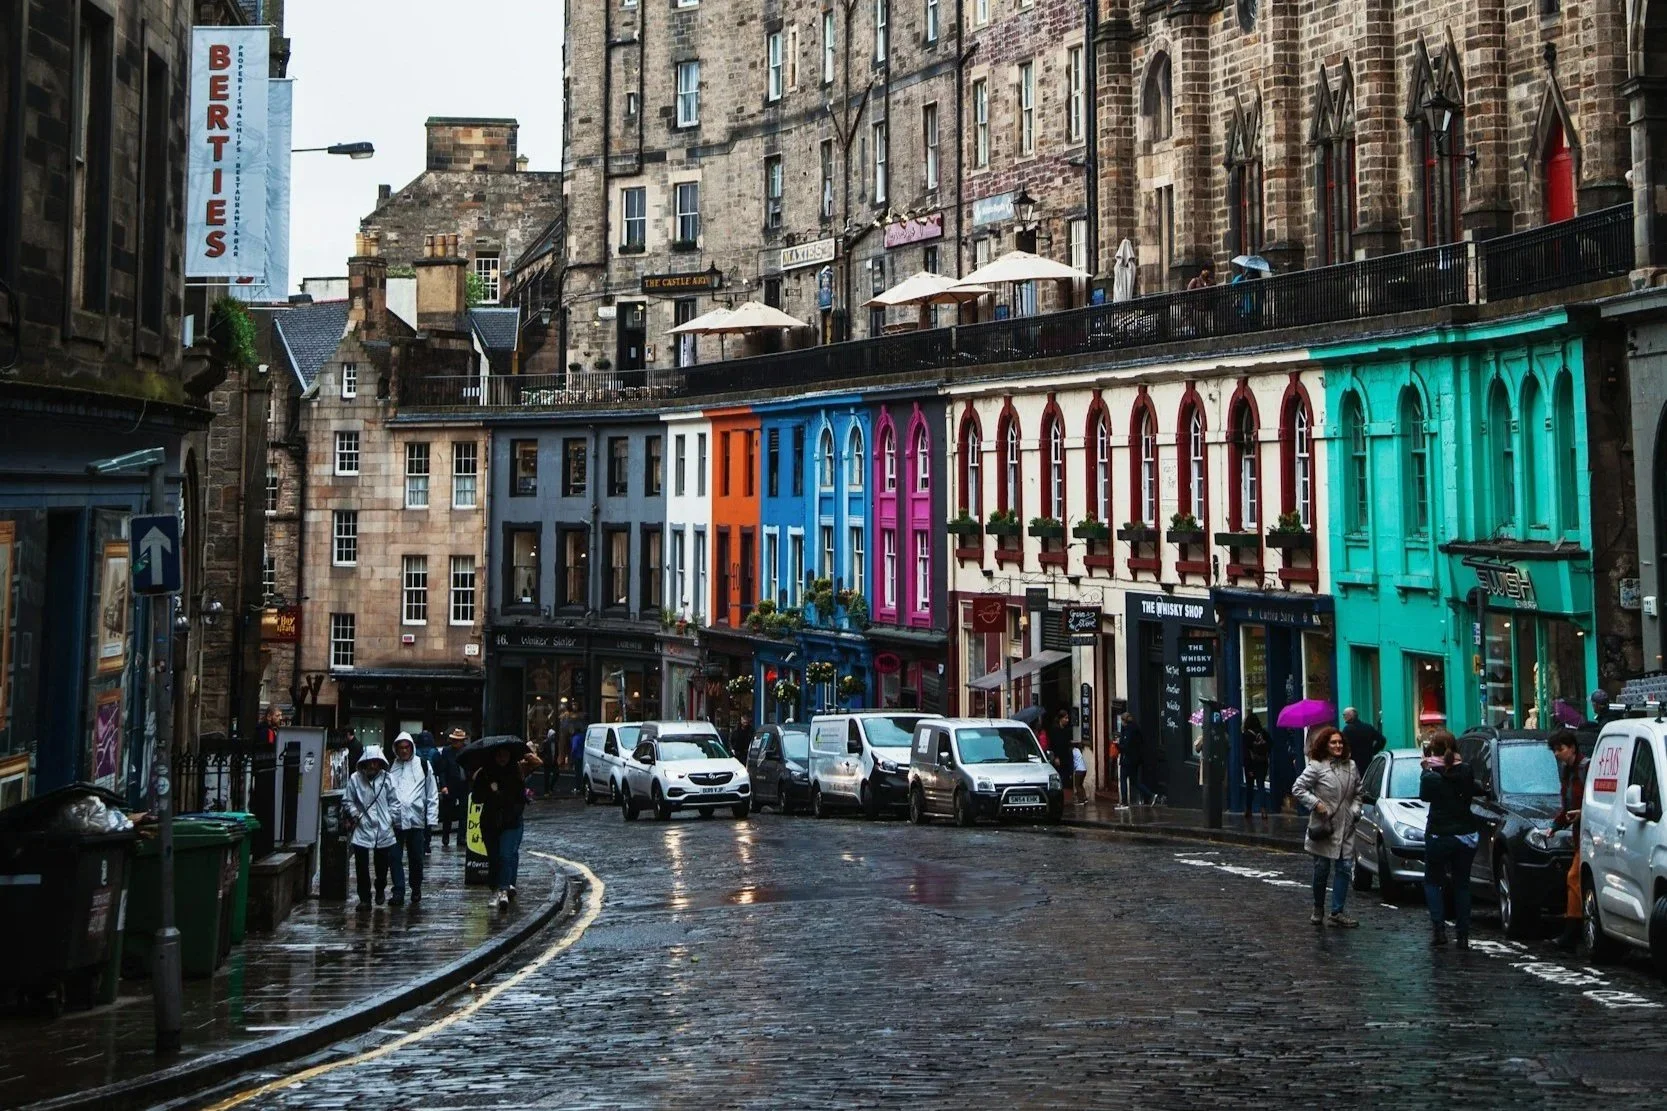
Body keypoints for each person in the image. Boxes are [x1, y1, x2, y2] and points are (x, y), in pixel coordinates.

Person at [1292, 726, 1362, 927]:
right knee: (1322, 869)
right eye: (1333, 742)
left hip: (1346, 826)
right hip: (1325, 826)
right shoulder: (1316, 766)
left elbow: (1359, 792)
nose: (1338, 745)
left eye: (1340, 742)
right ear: (1325, 745)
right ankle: (1318, 907)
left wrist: (1355, 811)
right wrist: (1316, 804)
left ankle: (1337, 912)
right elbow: (1298, 788)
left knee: (1344, 868)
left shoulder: (1351, 766)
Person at [1419, 729, 1480, 948]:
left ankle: (1439, 929)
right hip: (1465, 834)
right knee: (1462, 885)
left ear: (1431, 750)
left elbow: (1425, 796)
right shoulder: (1466, 770)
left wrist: (1425, 770)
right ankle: (1463, 935)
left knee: (1432, 882)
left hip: (1439, 834)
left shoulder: (1430, 775)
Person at [474, 743, 540, 911]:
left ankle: (503, 889)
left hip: (511, 822)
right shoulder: (485, 773)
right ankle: (495, 889)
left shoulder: (516, 771)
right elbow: (476, 798)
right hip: (490, 822)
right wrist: (489, 789)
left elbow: (520, 797)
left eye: (506, 754)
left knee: (505, 855)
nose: (502, 758)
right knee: (494, 857)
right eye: (499, 755)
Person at [386, 732, 438, 906]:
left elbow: (431, 792)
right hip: (395, 820)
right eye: (400, 748)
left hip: (416, 820)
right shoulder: (391, 767)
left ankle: (416, 887)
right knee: (394, 857)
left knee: (416, 858)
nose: (403, 751)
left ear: (411, 747)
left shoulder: (423, 765)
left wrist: (431, 818)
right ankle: (398, 891)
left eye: (406, 747)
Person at [1549, 728, 1589, 949]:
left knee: (1574, 878)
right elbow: (1567, 806)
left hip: (1591, 834)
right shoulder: (1567, 772)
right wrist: (1556, 825)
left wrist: (1583, 813)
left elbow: (1595, 799)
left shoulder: (1586, 769)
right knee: (1576, 879)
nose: (1557, 753)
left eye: (1560, 749)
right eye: (1555, 750)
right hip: (1579, 835)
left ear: (1572, 748)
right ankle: (1574, 929)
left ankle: (1572, 931)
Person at [343, 745, 396, 909]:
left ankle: (380, 888)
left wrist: (390, 819)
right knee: (361, 866)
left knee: (382, 866)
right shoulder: (355, 779)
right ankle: (364, 898)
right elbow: (348, 800)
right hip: (363, 826)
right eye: (370, 762)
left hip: (383, 828)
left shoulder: (387, 779)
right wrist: (355, 814)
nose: (373, 765)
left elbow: (394, 801)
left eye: (376, 762)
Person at [434, 728, 470, 848]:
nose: (456, 743)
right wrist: (443, 785)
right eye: (455, 740)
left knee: (464, 812)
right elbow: (442, 770)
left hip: (464, 784)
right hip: (451, 785)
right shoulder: (447, 751)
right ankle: (446, 837)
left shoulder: (467, 750)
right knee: (448, 813)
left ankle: (461, 837)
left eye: (459, 740)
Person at [1241, 713, 1272, 820]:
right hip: (1262, 763)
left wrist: (1248, 768)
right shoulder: (1263, 733)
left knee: (1249, 787)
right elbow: (1271, 745)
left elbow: (1245, 753)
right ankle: (1264, 810)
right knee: (1261, 786)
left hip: (1251, 764)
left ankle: (1248, 810)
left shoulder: (1246, 735)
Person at [1117, 712, 1151, 807]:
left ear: (1124, 721)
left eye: (1121, 721)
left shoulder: (1128, 730)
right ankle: (1150, 795)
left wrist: (1118, 746)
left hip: (1128, 759)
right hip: (1135, 759)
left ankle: (1124, 801)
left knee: (1123, 779)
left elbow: (1126, 746)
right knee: (1134, 781)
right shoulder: (1135, 728)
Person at [1340, 707, 1385, 779]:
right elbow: (1382, 740)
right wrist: (1373, 751)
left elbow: (1343, 745)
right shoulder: (1368, 727)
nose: (1343, 717)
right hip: (1368, 762)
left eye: (1344, 714)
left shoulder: (1347, 730)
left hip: (1353, 764)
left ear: (1350, 716)